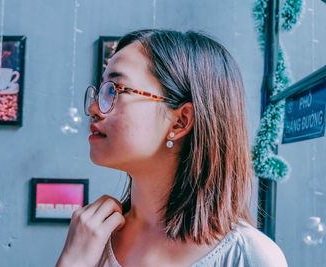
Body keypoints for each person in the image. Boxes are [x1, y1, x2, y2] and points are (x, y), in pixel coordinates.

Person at [56, 29, 288, 267]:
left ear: (180, 121)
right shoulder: (90, 240)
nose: (94, 107)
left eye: (114, 89)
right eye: (102, 90)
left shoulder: (249, 256)